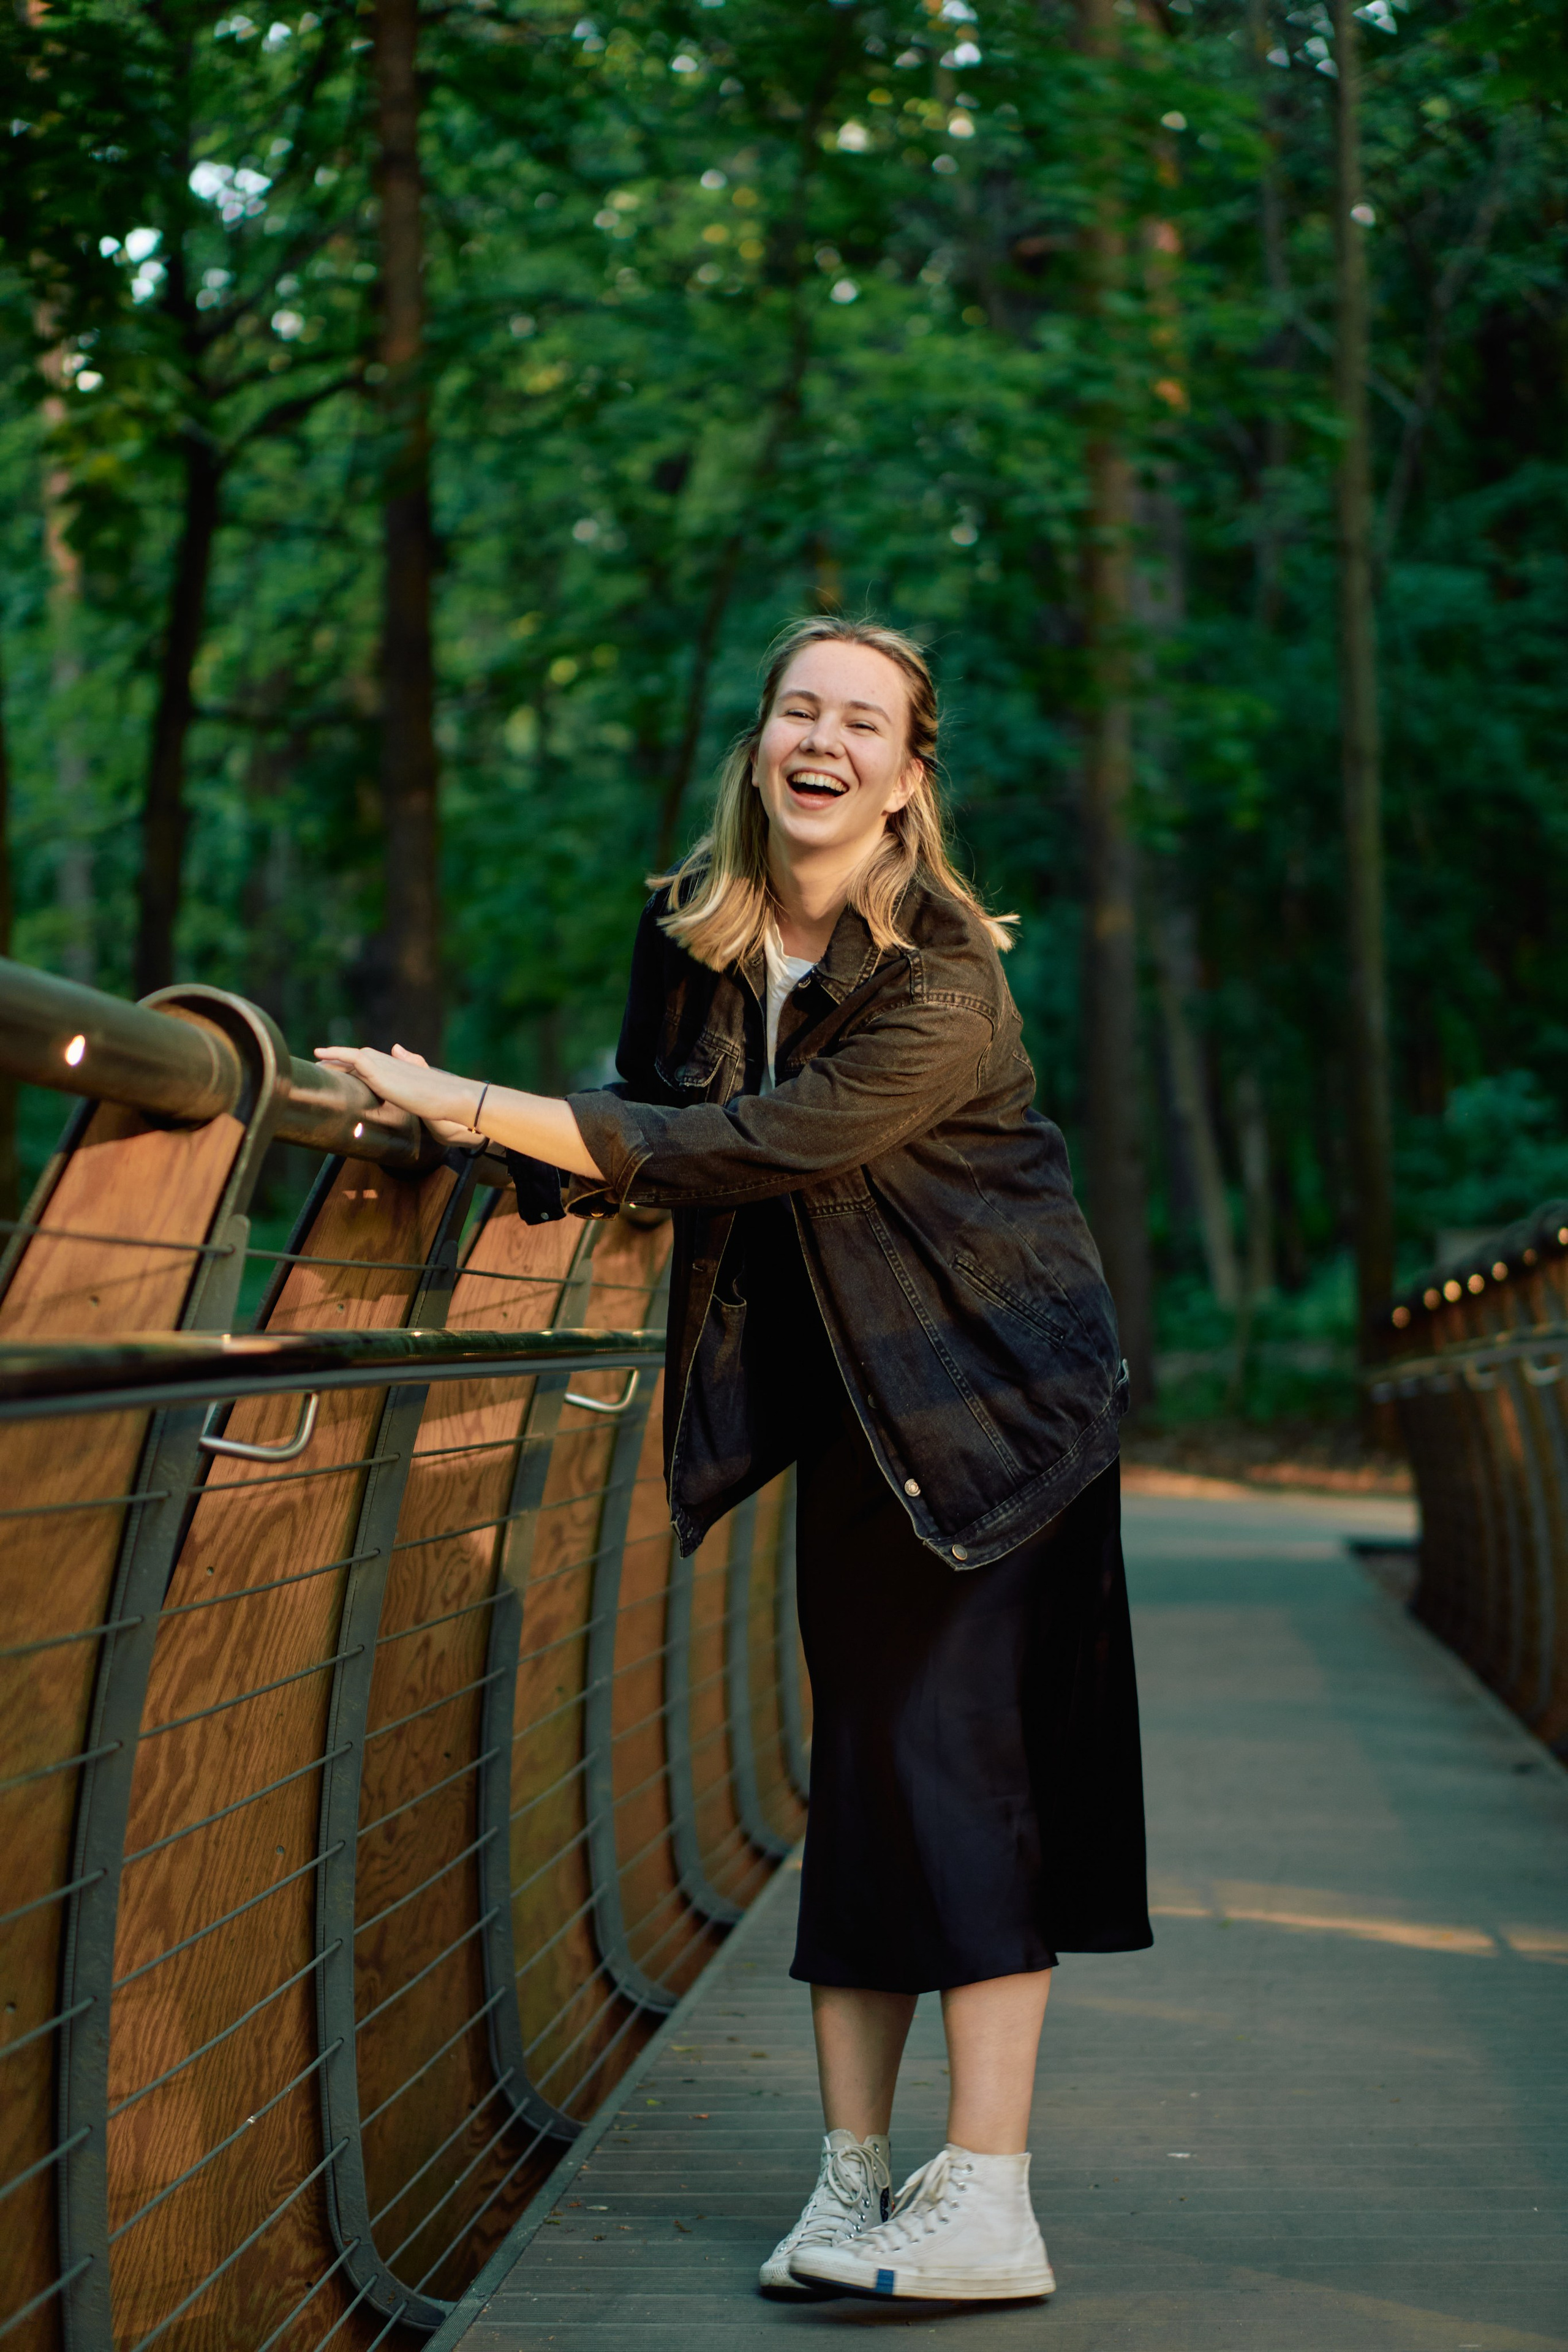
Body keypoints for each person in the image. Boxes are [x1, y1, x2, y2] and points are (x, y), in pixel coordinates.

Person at [316, 614, 1152, 2304]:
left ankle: (990, 2195)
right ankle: (852, 2187)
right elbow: (644, 1113)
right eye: (798, 709)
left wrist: (478, 1106)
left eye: (864, 720)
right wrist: (474, 1146)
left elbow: (760, 1147)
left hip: (998, 1415)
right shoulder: (694, 940)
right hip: (848, 1423)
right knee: (862, 1785)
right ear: (761, 745)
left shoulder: (945, 984)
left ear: (910, 781)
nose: (822, 738)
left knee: (956, 1782)